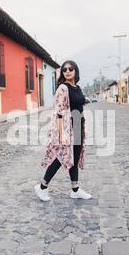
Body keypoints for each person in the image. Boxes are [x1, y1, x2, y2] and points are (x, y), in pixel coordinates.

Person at [35, 60, 92, 202]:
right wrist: (62, 134)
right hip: (68, 128)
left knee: (75, 158)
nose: (67, 71)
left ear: (75, 71)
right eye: (64, 69)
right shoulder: (62, 88)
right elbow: (59, 112)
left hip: (79, 125)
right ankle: (42, 187)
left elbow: (80, 108)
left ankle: (75, 189)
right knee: (61, 158)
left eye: (70, 69)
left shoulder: (77, 88)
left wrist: (83, 127)